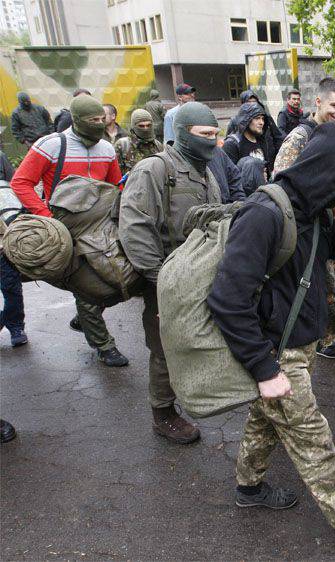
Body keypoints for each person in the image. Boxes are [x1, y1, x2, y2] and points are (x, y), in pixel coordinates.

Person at [207, 122, 335, 561]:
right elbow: (227, 299)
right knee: (315, 442)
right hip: (278, 353)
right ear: (324, 170)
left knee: (266, 420)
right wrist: (264, 369)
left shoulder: (315, 207)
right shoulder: (264, 212)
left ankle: (249, 486)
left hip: (301, 345)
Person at [119, 101, 222, 444]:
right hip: (164, 280)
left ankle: (191, 394)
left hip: (196, 277)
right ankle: (162, 413)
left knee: (193, 339)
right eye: (205, 134)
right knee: (165, 347)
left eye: (216, 133)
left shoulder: (204, 171)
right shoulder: (154, 169)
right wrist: (161, 281)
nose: (213, 140)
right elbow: (135, 228)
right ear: (182, 134)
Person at [10, 94, 129, 368]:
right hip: (65, 226)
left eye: (103, 119)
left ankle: (86, 317)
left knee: (117, 279)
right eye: (93, 120)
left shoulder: (107, 149)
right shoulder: (50, 145)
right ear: (76, 120)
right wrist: (47, 218)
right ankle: (103, 345)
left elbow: (114, 186)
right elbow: (21, 182)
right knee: (87, 286)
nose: (99, 125)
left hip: (100, 226)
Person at [273, 77, 335, 360]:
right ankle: (320, 340)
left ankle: (320, 334)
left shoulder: (333, 133)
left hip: (328, 222)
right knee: (319, 281)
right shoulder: (300, 137)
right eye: (334, 105)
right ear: (318, 102)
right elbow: (280, 181)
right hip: (305, 226)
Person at [0, 150, 27, 348]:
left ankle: (16, 326)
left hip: (3, 239)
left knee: (11, 287)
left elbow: (15, 184)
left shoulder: (1, 156)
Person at [222, 102, 279, 177]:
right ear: (246, 119)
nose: (261, 122)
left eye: (262, 119)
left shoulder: (262, 140)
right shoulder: (232, 144)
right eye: (257, 118)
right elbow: (229, 176)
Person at [114, 109, 163, 175]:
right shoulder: (123, 145)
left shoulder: (158, 146)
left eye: (148, 125)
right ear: (134, 126)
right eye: (141, 126)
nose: (145, 129)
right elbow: (115, 175)